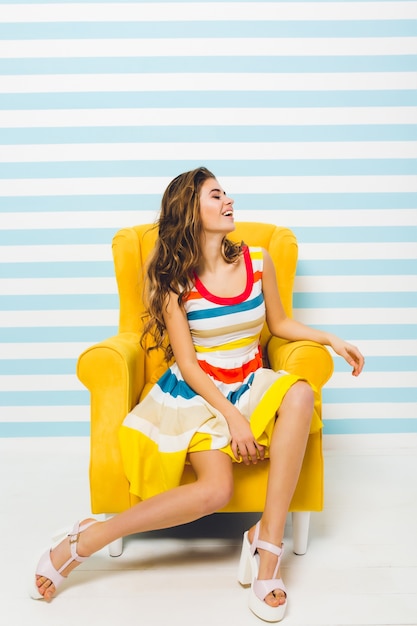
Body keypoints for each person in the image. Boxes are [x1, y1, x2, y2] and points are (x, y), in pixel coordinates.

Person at [31, 167, 364, 622]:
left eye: (225, 193)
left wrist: (331, 339)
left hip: (250, 379)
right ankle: (86, 538)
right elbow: (188, 365)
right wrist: (233, 416)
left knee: (301, 393)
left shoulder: (259, 259)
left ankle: (267, 549)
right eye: (215, 195)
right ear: (191, 210)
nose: (228, 201)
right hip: (200, 394)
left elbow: (281, 325)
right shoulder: (175, 283)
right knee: (215, 490)